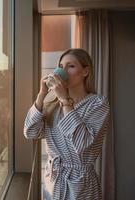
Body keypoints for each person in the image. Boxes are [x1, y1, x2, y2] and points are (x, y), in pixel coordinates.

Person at [24, 48, 110, 200]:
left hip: (80, 186)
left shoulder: (98, 103)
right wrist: (42, 95)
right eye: (61, 66)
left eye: (71, 66)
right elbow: (30, 132)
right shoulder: (52, 104)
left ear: (85, 71)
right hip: (52, 182)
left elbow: (82, 143)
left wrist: (65, 101)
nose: (63, 71)